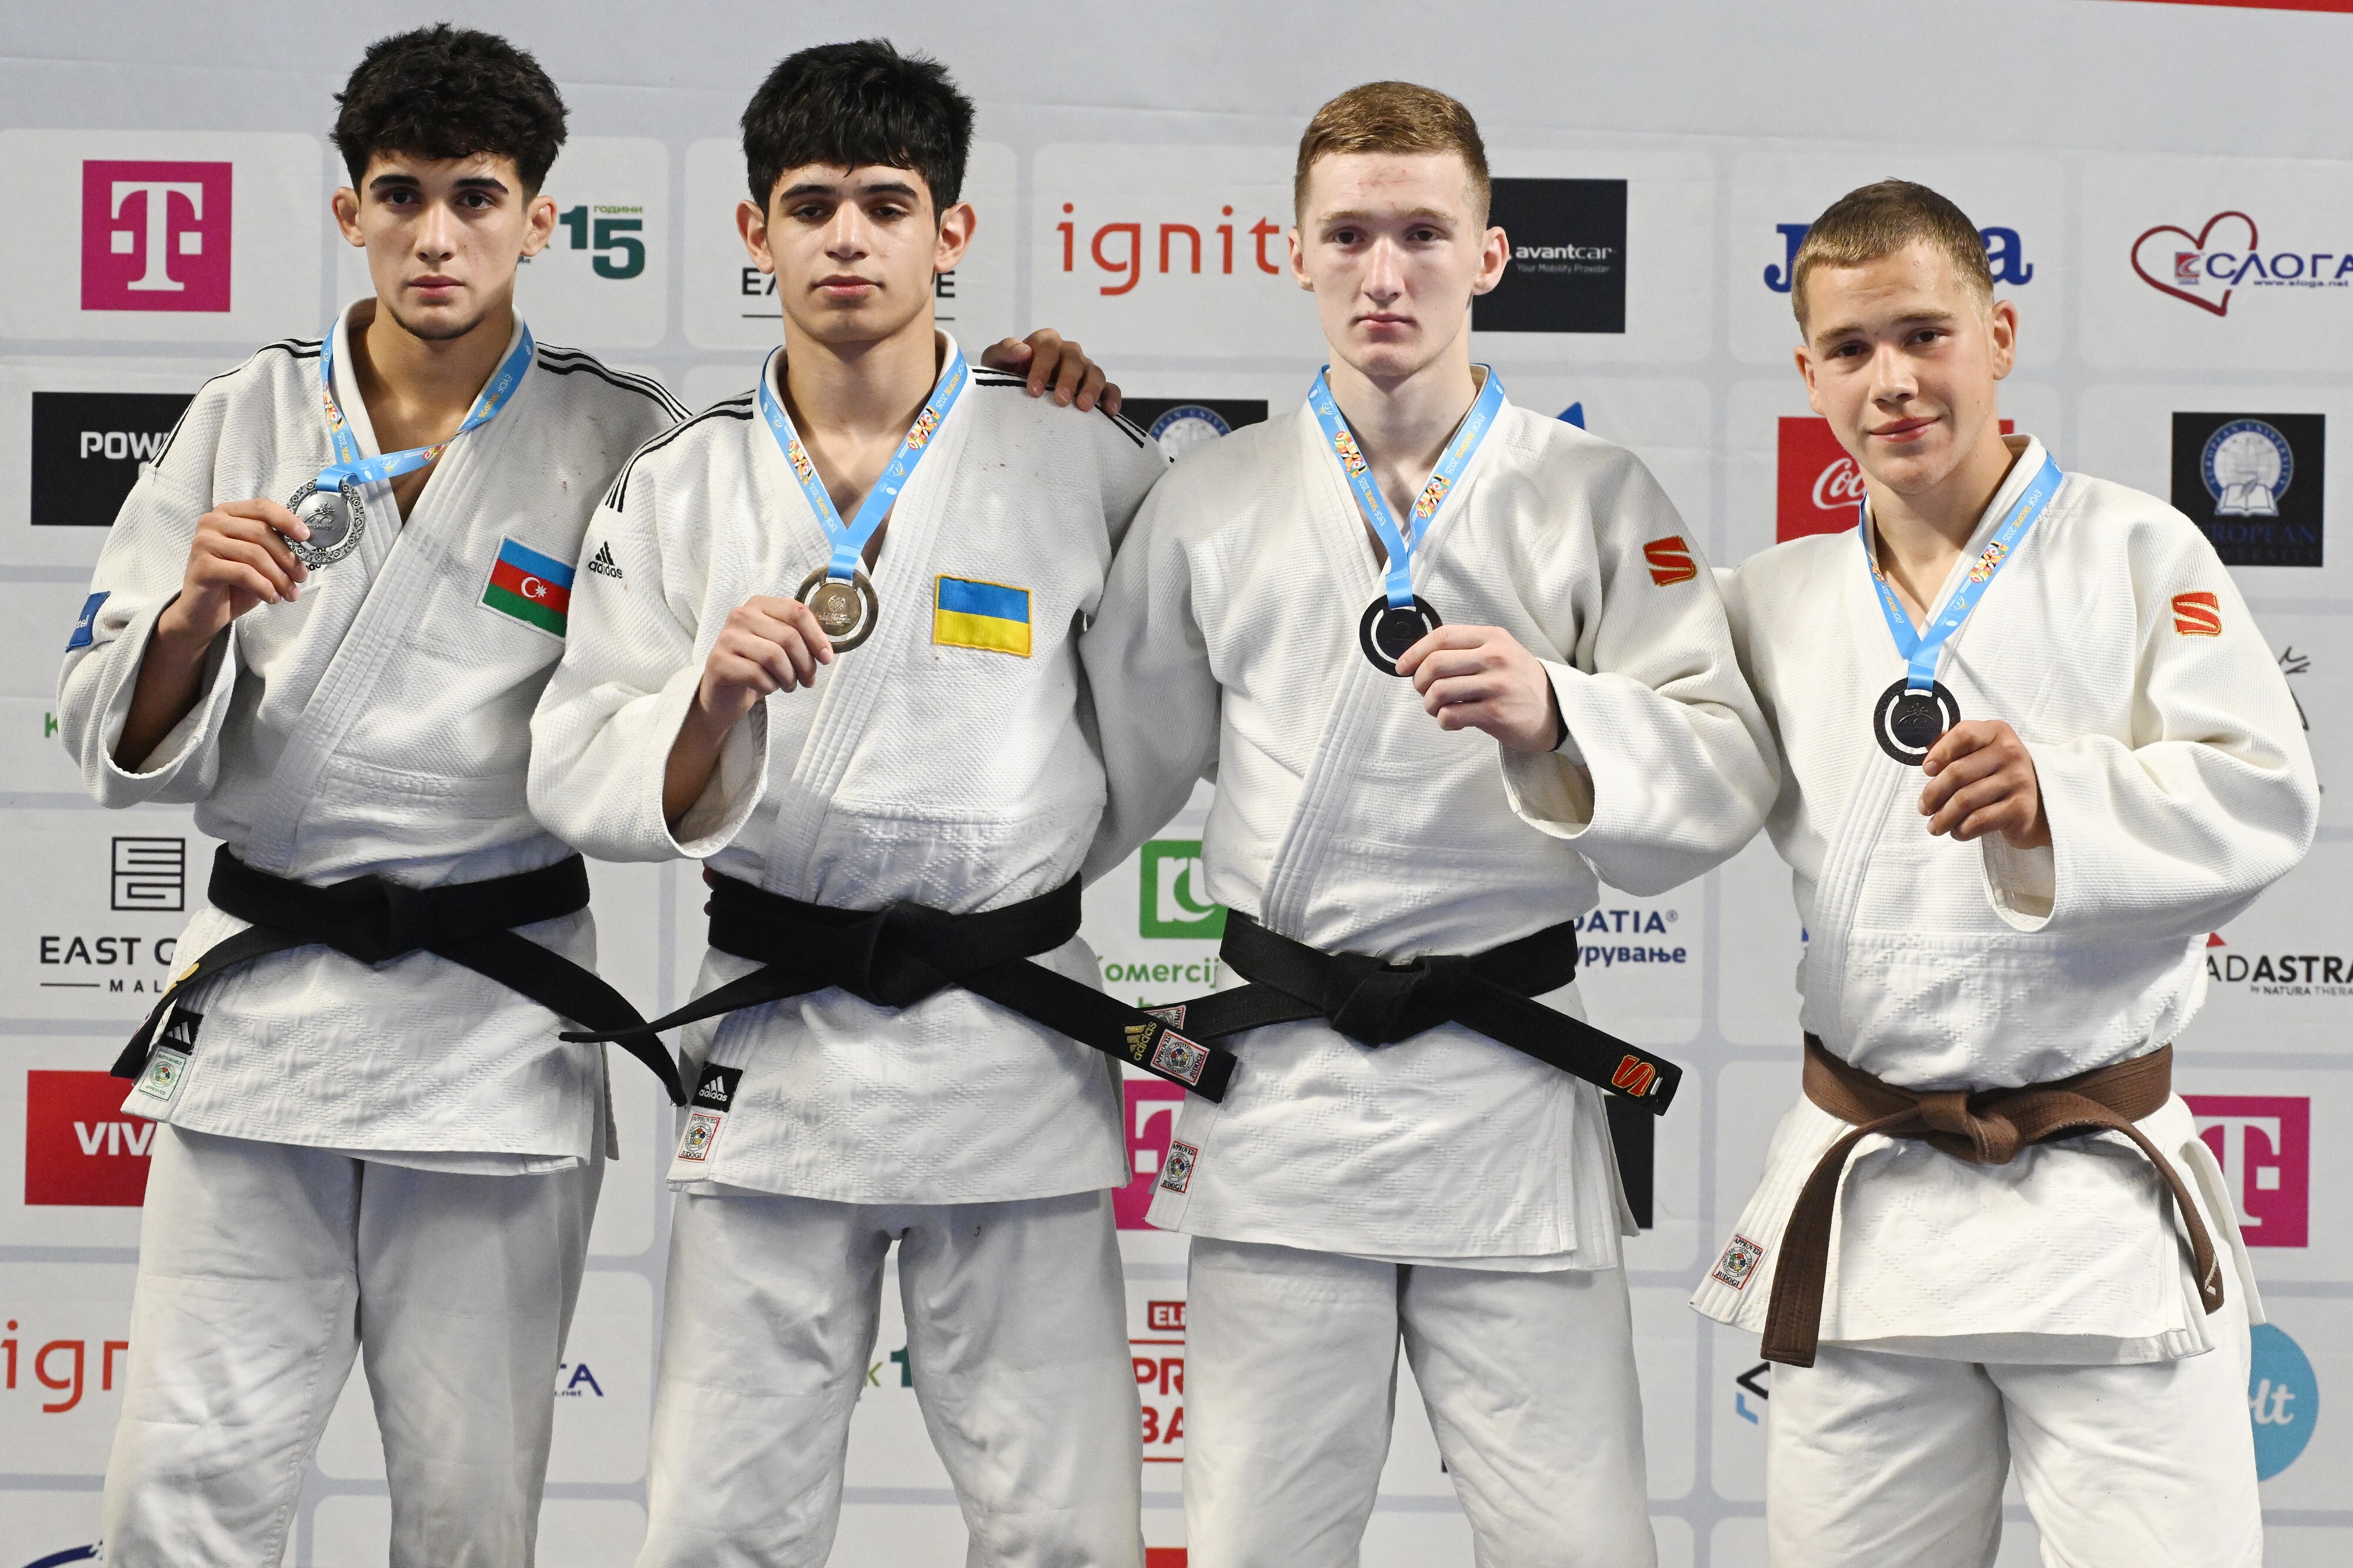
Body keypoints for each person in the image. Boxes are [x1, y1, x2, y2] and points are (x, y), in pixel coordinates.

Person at [58, 25, 1112, 1567]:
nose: (436, 236)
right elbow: (100, 727)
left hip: (491, 1029)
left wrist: (1022, 392)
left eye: (476, 197)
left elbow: (884, 508)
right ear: (346, 209)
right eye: (400, 195)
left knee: (473, 1512)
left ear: (539, 219)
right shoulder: (241, 419)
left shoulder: (626, 440)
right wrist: (190, 618)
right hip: (263, 1018)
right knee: (177, 1492)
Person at [1081, 81, 1774, 1567]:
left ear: (1490, 256)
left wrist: (1557, 715)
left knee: (1581, 1548)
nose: (1382, 273)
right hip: (1287, 1096)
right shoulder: (1210, 499)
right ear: (1293, 252)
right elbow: (1099, 774)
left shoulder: (1592, 495)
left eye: (1421, 234)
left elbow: (1719, 768)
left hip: (1503, 1094)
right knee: (1256, 1544)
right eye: (1347, 235)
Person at [527, 41, 1178, 1568]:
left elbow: (1163, 723)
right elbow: (574, 759)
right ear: (752, 232)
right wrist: (707, 704)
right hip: (780, 1043)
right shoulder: (680, 485)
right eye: (809, 205)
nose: (846, 239)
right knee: (715, 1527)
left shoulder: (1079, 454)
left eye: (886, 204)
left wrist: (1022, 862)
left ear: (952, 230)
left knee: (1066, 1530)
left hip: (1010, 1045)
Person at [1689, 179, 2315, 1568]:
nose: (1891, 380)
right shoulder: (1768, 600)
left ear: (1998, 336)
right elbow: (1653, 760)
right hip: (1869, 1211)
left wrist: (2059, 801)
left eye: (1924, 333)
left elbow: (2265, 795)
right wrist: (1545, 711)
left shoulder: (2139, 550)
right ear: (1806, 373)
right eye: (1849, 348)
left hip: (2095, 1210)